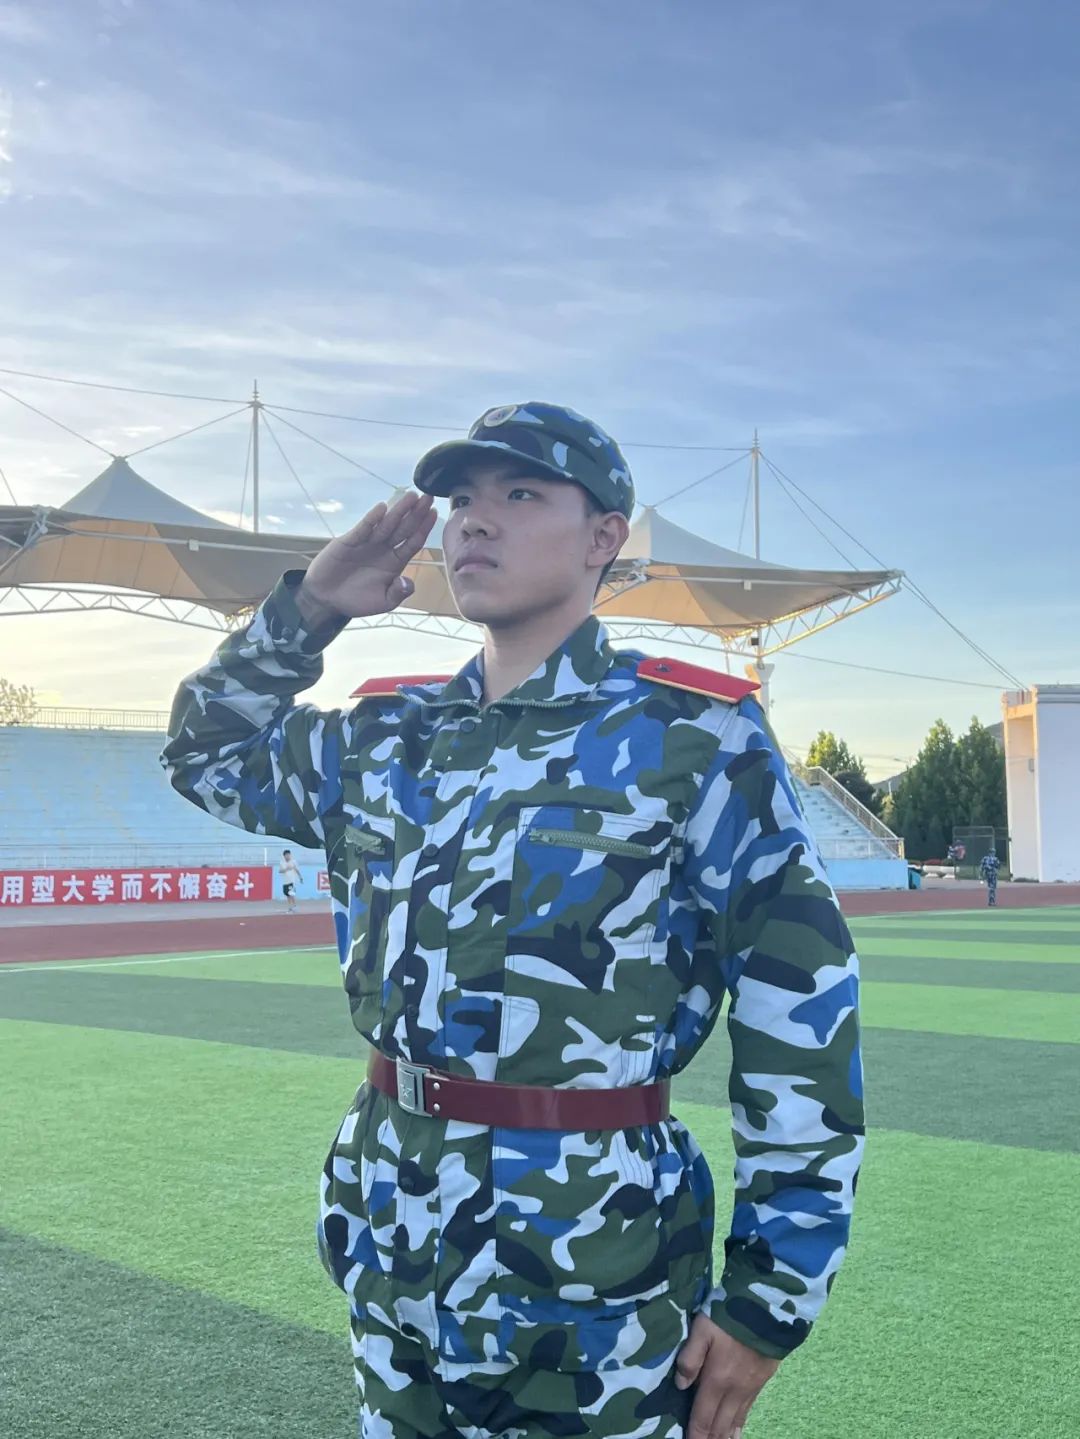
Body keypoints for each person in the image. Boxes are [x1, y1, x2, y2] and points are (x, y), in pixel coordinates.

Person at [162, 402, 864, 1439]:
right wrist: (310, 608)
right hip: (394, 1234)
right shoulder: (385, 734)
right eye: (460, 500)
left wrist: (771, 1294)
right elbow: (203, 751)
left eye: (520, 493)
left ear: (603, 536)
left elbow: (798, 1003)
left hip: (591, 1267)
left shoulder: (693, 735)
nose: (473, 522)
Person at [279, 848, 302, 913]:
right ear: (284, 856)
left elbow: (297, 870)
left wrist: (300, 877)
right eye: (286, 855)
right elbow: (280, 871)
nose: (288, 856)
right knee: (287, 895)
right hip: (285, 881)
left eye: (289, 855)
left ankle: (295, 906)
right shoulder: (282, 863)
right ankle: (290, 907)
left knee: (292, 894)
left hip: (292, 881)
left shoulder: (293, 862)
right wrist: (286, 869)